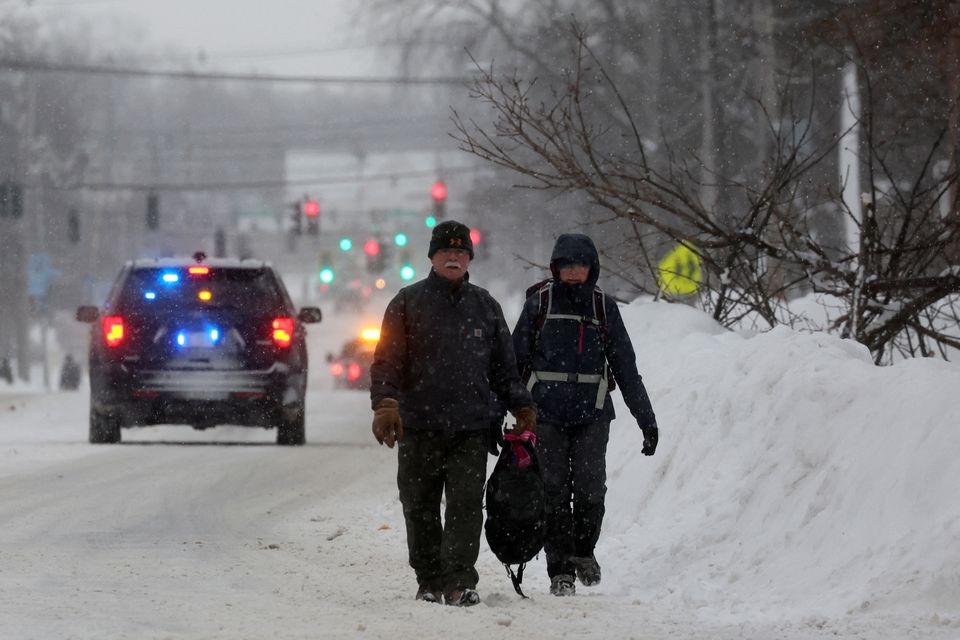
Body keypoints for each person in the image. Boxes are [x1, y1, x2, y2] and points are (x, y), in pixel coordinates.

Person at [370, 220, 536, 607]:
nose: (453, 257)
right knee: (419, 504)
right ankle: (428, 578)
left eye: (461, 253)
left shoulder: (485, 306)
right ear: (432, 257)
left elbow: (504, 371)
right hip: (419, 425)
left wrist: (522, 405)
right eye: (446, 251)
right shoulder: (407, 302)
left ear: (469, 260)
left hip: (471, 427)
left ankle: (459, 581)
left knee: (464, 505)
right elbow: (386, 362)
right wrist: (386, 404)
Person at [512, 233, 658, 597]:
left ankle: (584, 551)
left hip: (591, 414)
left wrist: (646, 419)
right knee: (554, 492)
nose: (574, 273)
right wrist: (505, 411)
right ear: (556, 268)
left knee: (592, 490)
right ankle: (560, 570)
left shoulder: (604, 308)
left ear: (591, 268)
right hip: (546, 413)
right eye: (567, 266)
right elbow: (513, 364)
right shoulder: (539, 304)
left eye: (580, 266)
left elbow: (626, 368)